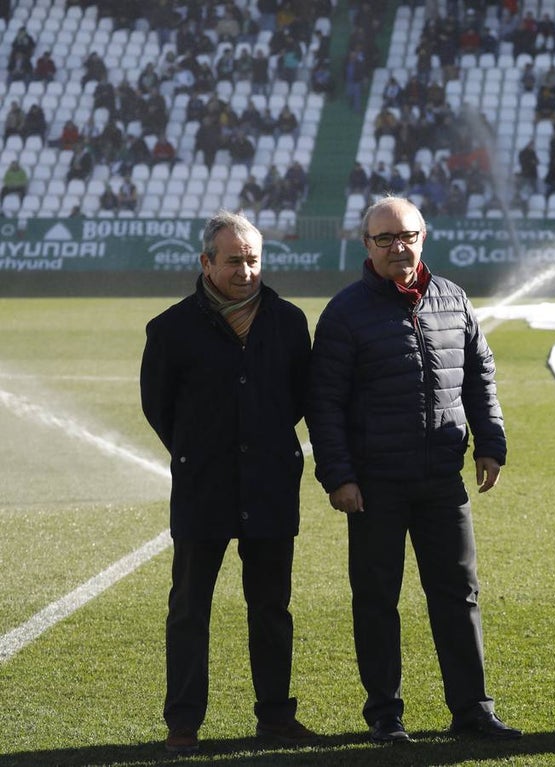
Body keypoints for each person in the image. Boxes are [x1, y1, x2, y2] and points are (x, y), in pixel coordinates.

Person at [306, 196, 521, 744]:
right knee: (377, 598)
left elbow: (480, 375)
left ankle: (472, 709)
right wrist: (339, 477)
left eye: (408, 236)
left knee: (458, 593)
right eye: (386, 239)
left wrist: (490, 443)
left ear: (423, 237)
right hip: (374, 485)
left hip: (442, 480)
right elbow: (324, 403)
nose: (399, 247)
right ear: (366, 246)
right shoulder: (345, 312)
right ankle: (384, 715)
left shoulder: (452, 298)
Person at [140, 211, 315, 755]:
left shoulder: (288, 321)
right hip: (203, 488)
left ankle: (275, 718)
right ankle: (184, 724)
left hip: (269, 484)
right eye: (234, 260)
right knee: (190, 607)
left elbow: (301, 398)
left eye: (254, 259)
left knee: (271, 607)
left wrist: (261, 443)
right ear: (206, 262)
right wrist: (198, 453)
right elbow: (158, 407)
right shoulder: (169, 328)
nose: (245, 270)